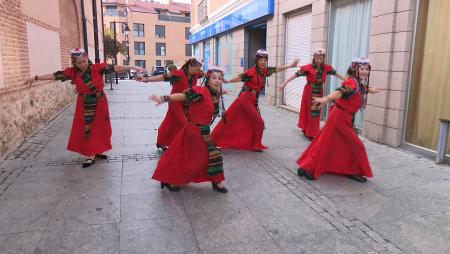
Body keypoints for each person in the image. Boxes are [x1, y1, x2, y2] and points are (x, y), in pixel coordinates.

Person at [24, 48, 145, 167]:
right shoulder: (72, 73)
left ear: (87, 58)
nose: (82, 64)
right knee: (88, 128)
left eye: (84, 61)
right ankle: (90, 154)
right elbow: (55, 76)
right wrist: (35, 78)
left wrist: (132, 67)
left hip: (100, 102)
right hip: (84, 103)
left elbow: (115, 68)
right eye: (79, 63)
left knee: (101, 127)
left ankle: (98, 150)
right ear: (74, 63)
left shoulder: (97, 68)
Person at [296, 57, 382, 182]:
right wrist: (326, 98)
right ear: (354, 70)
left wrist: (371, 90)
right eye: (362, 69)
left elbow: (362, 89)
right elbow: (339, 92)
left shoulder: (357, 83)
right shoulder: (351, 82)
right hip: (339, 118)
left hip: (344, 117)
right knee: (356, 146)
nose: (365, 71)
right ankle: (307, 168)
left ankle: (348, 169)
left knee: (334, 143)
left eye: (367, 69)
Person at [147, 67, 228, 193]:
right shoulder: (200, 91)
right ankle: (216, 181)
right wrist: (164, 98)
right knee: (208, 156)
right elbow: (184, 95)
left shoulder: (214, 93)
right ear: (207, 79)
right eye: (214, 78)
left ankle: (215, 180)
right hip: (195, 131)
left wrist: (222, 92)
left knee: (199, 156)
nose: (217, 81)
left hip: (203, 131)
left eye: (220, 78)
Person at [211, 49, 299, 151]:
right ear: (256, 61)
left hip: (253, 100)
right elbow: (239, 78)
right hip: (245, 99)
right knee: (259, 123)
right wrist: (226, 81)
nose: (263, 62)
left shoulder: (264, 71)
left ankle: (257, 144)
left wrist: (291, 66)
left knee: (251, 122)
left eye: (264, 60)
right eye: (261, 60)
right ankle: (254, 145)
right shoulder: (250, 72)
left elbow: (276, 69)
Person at [279, 49, 345, 139]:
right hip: (309, 91)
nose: (319, 60)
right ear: (314, 58)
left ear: (323, 58)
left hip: (319, 90)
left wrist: (346, 80)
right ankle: (309, 131)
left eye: (321, 58)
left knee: (315, 112)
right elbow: (295, 75)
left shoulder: (326, 68)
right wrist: (285, 82)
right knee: (309, 110)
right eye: (317, 57)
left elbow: (336, 74)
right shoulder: (308, 67)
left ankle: (311, 131)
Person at [140, 58, 204, 150]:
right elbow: (162, 77)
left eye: (198, 69)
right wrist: (146, 79)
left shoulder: (196, 74)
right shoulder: (178, 74)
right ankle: (185, 144)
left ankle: (161, 141)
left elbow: (204, 74)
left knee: (170, 122)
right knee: (184, 123)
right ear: (190, 66)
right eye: (195, 69)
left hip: (188, 103)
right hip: (175, 102)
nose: (197, 71)